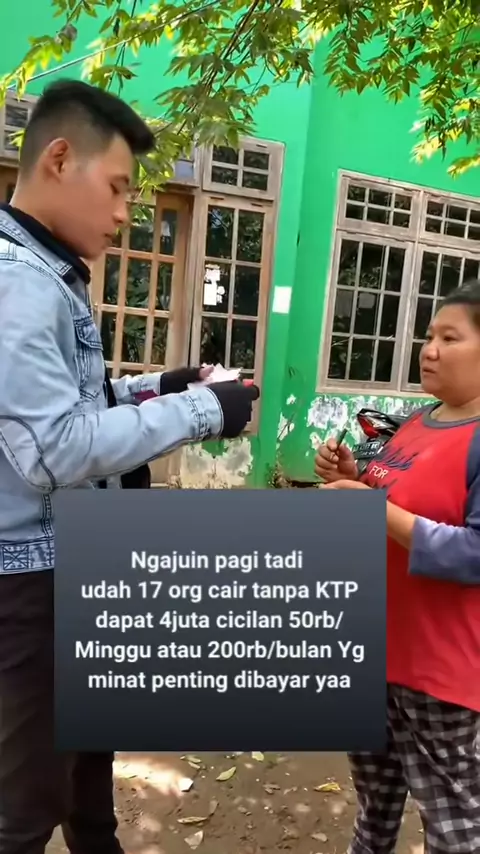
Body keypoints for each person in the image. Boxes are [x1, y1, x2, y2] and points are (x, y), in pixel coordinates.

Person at [0, 79, 259, 854]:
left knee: (87, 769)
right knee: (25, 805)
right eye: (116, 188)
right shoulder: (17, 283)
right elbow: (53, 450)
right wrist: (202, 412)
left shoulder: (45, 274)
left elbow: (73, 407)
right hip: (33, 581)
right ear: (58, 159)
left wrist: (162, 387)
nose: (124, 213)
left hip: (66, 561)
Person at [314, 281, 480, 854]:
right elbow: (389, 506)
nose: (429, 350)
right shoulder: (415, 423)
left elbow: (474, 552)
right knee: (374, 808)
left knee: (453, 825)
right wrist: (351, 476)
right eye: (429, 336)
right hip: (375, 655)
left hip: (439, 670)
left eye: (450, 338)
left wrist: (374, 508)